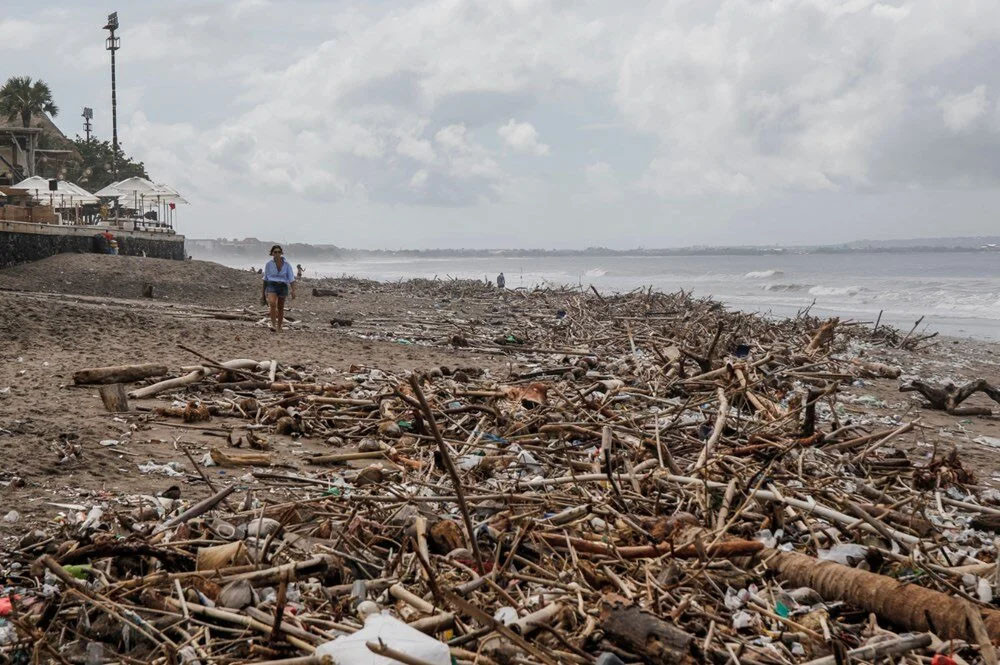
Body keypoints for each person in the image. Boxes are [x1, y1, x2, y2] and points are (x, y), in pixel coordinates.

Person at [261, 244, 296, 332]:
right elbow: (265, 279)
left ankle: (279, 326)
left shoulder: (287, 264)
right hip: (271, 285)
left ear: (281, 253)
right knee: (272, 303)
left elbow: (291, 278)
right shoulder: (268, 264)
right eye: (275, 252)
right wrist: (263, 294)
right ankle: (273, 325)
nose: (277, 253)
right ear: (272, 253)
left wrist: (293, 290)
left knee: (280, 307)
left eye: (279, 252)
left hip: (283, 286)